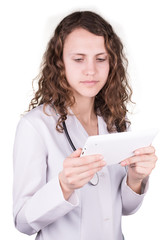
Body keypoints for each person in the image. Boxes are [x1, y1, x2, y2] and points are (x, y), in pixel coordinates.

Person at [13, 11, 157, 240]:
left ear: (112, 63)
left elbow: (126, 209)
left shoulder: (116, 123)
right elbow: (23, 222)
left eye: (101, 59)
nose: (91, 70)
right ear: (59, 62)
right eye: (79, 59)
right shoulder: (35, 126)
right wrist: (64, 185)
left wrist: (136, 178)